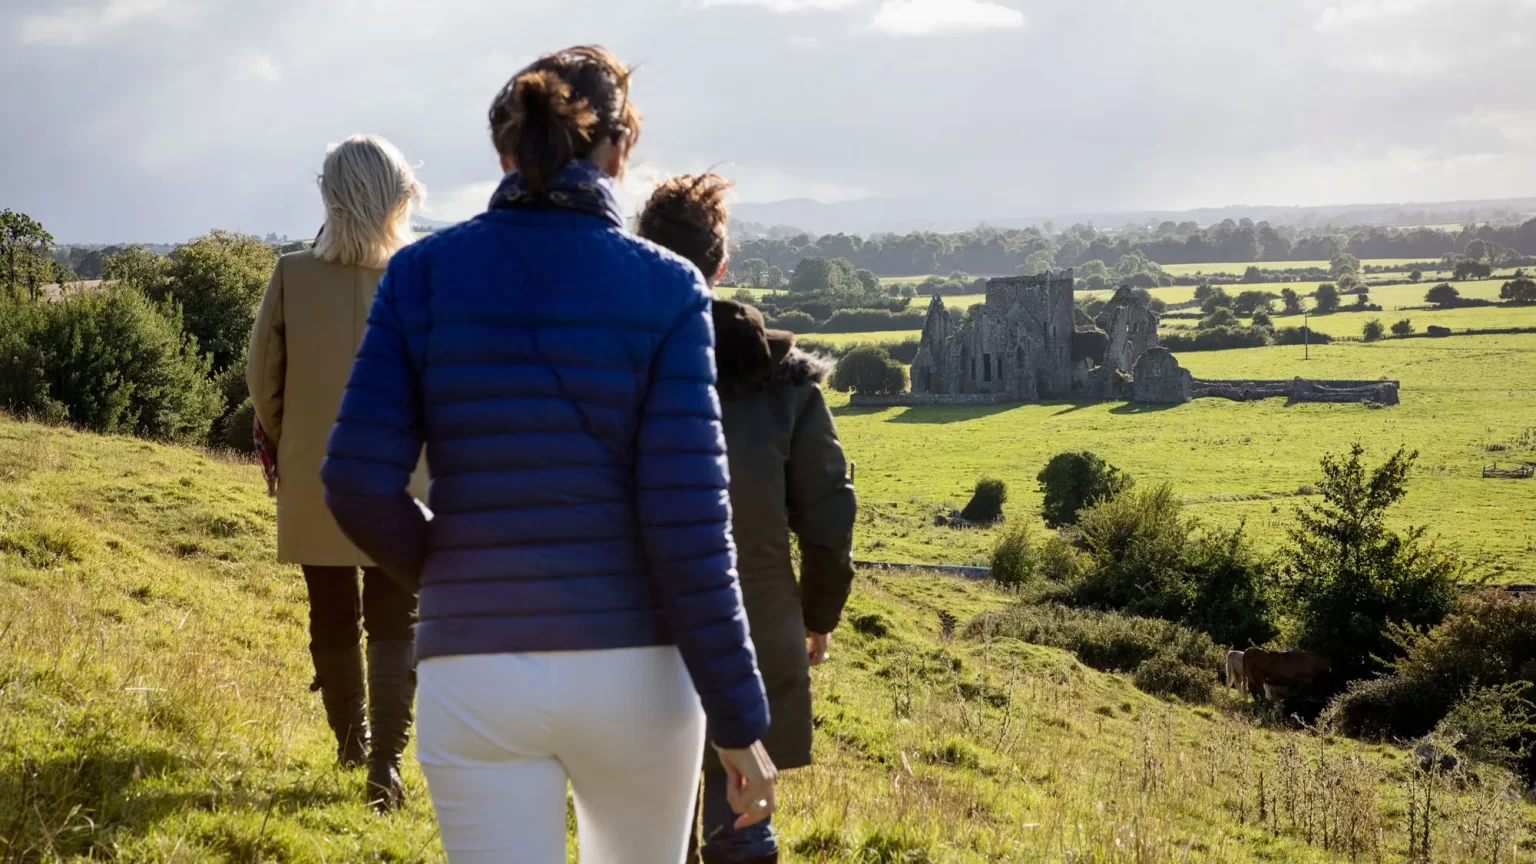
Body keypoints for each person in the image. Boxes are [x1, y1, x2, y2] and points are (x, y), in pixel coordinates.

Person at [321, 46, 776, 862]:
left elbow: (355, 481)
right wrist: (741, 723)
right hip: (636, 670)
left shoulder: (419, 276)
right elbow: (691, 527)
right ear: (618, 150)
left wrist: (453, 570)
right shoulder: (669, 286)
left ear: (505, 151)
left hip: (474, 666)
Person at [638, 175, 857, 864]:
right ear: (721, 264)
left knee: (643, 823)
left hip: (632, 619)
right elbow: (826, 512)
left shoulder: (614, 360)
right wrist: (816, 614)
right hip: (753, 617)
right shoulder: (784, 380)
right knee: (741, 814)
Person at [246, 135, 428, 812]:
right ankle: (386, 762)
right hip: (405, 475)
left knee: (330, 609)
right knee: (395, 614)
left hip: (316, 470)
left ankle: (351, 746)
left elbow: (264, 381)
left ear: (329, 195)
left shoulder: (293, 272)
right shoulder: (424, 273)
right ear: (399, 196)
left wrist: (292, 439)